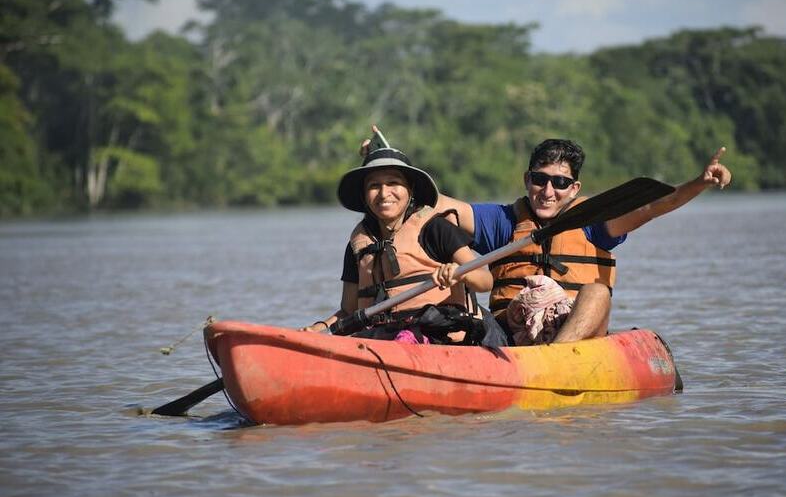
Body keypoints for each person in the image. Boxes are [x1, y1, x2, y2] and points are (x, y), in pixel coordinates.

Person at [361, 129, 732, 345]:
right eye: (539, 180)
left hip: (573, 338)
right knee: (466, 313)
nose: (548, 191)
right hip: (511, 334)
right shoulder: (504, 221)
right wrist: (383, 161)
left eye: (560, 183)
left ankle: (556, 360)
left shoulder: (594, 222)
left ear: (575, 188)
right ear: (527, 180)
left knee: (598, 291)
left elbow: (653, 207)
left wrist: (699, 183)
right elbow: (435, 200)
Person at [303, 136, 504, 346]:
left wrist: (459, 273)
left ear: (410, 191)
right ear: (364, 195)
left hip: (440, 336)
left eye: (393, 183)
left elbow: (485, 281)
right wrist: (318, 329)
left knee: (405, 340)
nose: (383, 193)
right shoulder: (358, 245)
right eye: (374, 185)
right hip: (381, 338)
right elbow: (348, 311)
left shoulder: (436, 229)